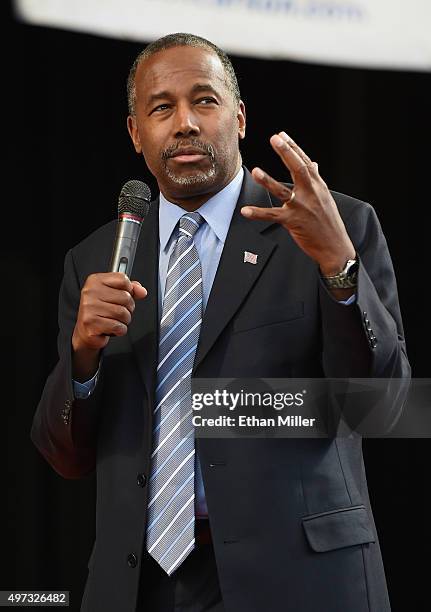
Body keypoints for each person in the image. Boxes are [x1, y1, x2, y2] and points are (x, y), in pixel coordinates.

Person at [31, 33, 410, 612]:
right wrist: (82, 361)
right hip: (141, 585)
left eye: (204, 101)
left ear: (238, 119)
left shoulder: (329, 227)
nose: (184, 122)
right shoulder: (96, 260)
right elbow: (66, 455)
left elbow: (380, 409)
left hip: (300, 581)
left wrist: (338, 268)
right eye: (161, 107)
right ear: (136, 134)